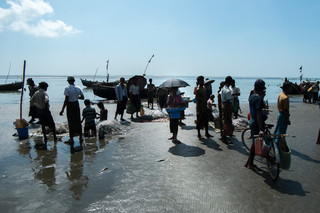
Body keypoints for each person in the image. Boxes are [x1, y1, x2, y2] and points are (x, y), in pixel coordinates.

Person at [245, 78, 266, 170]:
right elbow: (258, 114)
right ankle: (250, 164)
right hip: (257, 123)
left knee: (254, 143)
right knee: (255, 144)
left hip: (252, 121)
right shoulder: (258, 98)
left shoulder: (252, 96)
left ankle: (249, 162)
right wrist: (261, 128)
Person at [30, 82, 57, 146]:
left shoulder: (36, 93)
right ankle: (55, 137)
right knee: (52, 124)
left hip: (39, 110)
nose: (47, 88)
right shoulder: (45, 93)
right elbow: (46, 100)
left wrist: (36, 105)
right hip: (45, 110)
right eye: (46, 87)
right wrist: (45, 104)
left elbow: (31, 101)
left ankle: (45, 137)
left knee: (43, 124)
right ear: (44, 87)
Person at [60, 76, 84, 144]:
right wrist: (76, 97)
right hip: (76, 104)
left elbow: (66, 100)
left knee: (71, 122)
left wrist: (62, 110)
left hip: (70, 105)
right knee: (78, 120)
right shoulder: (78, 88)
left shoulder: (67, 88)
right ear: (74, 81)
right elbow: (82, 97)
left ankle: (71, 138)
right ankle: (81, 137)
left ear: (68, 81)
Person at [220, 76, 234, 144]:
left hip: (223, 105)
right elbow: (228, 102)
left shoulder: (223, 89)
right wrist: (231, 109)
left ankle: (224, 135)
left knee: (224, 121)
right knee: (227, 122)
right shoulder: (228, 91)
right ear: (230, 82)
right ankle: (224, 137)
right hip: (227, 106)